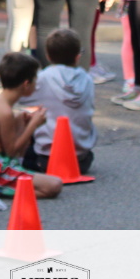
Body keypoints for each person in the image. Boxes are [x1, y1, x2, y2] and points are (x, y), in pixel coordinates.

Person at [0, 52, 62, 199]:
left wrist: (23, 122)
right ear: (26, 84)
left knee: (20, 117)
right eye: (35, 80)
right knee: (54, 185)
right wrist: (33, 125)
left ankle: (6, 187)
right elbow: (11, 151)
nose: (36, 85)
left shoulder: (0, 103)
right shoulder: (4, 111)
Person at [21, 29, 96, 174]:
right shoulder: (87, 79)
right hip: (82, 159)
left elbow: (20, 99)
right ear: (78, 56)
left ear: (48, 56)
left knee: (23, 119)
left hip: (48, 159)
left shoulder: (44, 77)